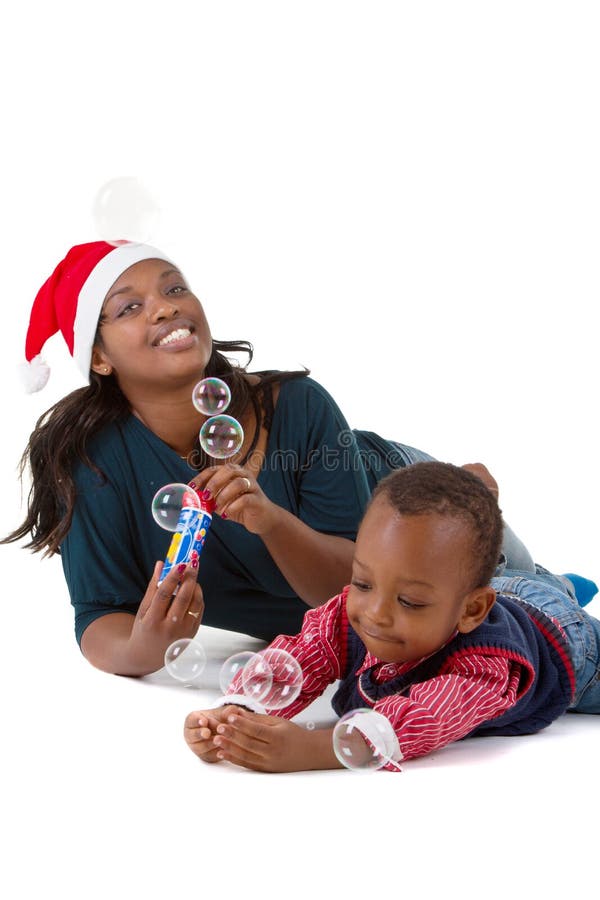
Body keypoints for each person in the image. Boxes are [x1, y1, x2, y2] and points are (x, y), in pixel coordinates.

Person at [4, 241, 533, 678]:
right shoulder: (91, 461)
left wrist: (272, 523)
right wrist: (144, 647)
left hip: (409, 506)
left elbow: (355, 589)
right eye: (129, 307)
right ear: (98, 356)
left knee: (511, 608)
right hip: (355, 628)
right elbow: (98, 617)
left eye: (174, 287)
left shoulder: (298, 407)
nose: (166, 307)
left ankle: (478, 505)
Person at [183, 462, 600, 773]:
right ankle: (558, 583)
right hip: (502, 587)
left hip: (563, 639)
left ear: (471, 611)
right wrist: (238, 712)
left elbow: (423, 716)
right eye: (363, 583)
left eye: (410, 602)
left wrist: (317, 749)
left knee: (539, 596)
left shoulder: (485, 666)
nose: (376, 614)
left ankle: (558, 591)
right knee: (520, 580)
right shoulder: (356, 610)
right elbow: (302, 653)